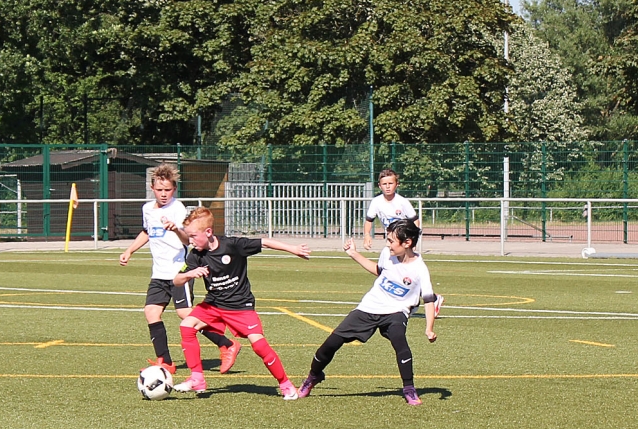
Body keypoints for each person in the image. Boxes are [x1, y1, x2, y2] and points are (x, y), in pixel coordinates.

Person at [171, 206, 310, 399]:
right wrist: (189, 274)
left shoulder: (233, 245)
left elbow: (264, 242)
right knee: (187, 326)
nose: (190, 240)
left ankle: (286, 384)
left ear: (208, 232)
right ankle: (197, 379)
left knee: (259, 346)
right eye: (189, 236)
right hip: (213, 304)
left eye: (193, 236)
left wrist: (293, 249)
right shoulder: (195, 254)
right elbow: (176, 280)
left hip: (240, 306)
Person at [298, 219, 437, 405]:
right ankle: (313, 376)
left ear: (407, 242)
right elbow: (379, 271)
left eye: (391, 241)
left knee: (399, 340)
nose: (387, 244)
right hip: (370, 306)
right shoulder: (387, 254)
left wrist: (429, 328)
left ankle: (409, 389)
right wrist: (353, 253)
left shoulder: (420, 269)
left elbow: (429, 299)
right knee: (331, 343)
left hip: (397, 311)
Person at [119, 165, 239, 374]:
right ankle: (165, 361)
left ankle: (226, 344)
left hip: (178, 272)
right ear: (152, 188)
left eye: (168, 190)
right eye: (159, 190)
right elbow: (146, 232)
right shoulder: (147, 209)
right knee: (151, 312)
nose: (163, 194)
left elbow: (187, 241)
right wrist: (130, 250)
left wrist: (176, 229)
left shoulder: (178, 208)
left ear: (174, 189)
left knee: (185, 313)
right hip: (159, 273)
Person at [363, 168, 443, 317]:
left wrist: (412, 241)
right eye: (384, 184)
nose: (387, 186)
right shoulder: (376, 202)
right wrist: (367, 235)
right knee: (386, 272)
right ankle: (429, 298)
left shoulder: (402, 202)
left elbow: (415, 221)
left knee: (396, 273)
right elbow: (369, 220)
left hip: (402, 246)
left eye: (390, 183)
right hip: (390, 244)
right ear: (379, 186)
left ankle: (421, 300)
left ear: (397, 184)